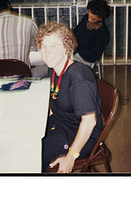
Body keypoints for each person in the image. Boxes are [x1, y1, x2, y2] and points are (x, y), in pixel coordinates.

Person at [35, 22, 102, 173]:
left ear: (66, 47)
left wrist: (71, 156)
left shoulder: (79, 77)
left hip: (79, 135)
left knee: (31, 155)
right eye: (43, 46)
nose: (47, 52)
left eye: (53, 46)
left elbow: (90, 121)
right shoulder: (54, 69)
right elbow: (55, 101)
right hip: (61, 123)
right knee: (27, 138)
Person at [73, 0, 111, 66]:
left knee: (67, 69)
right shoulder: (85, 19)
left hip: (85, 59)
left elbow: (93, 56)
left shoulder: (103, 33)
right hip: (74, 52)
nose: (89, 19)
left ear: (101, 18)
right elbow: (76, 32)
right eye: (89, 15)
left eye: (93, 18)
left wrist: (78, 47)